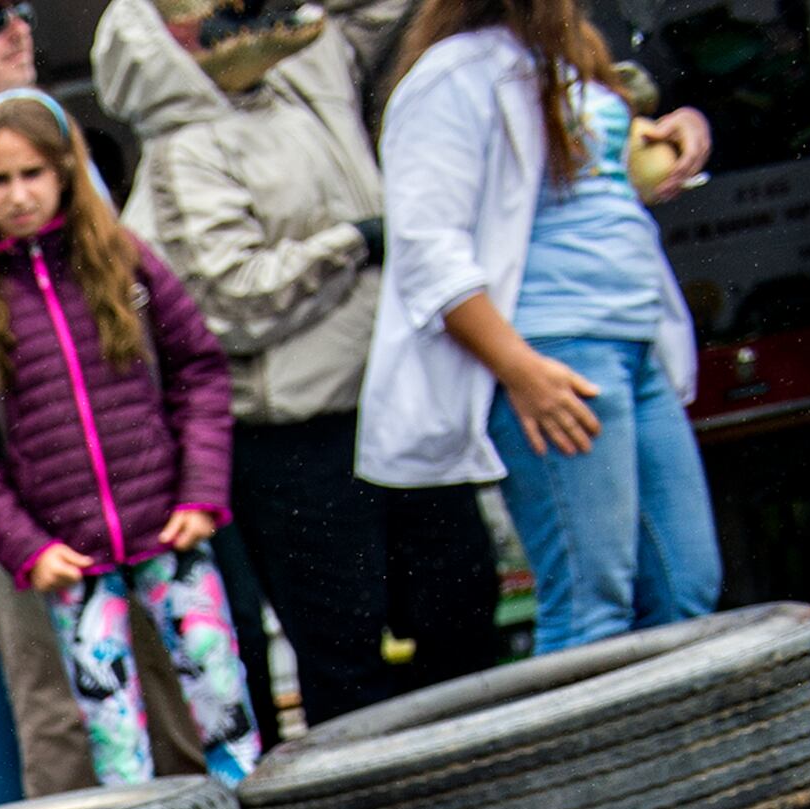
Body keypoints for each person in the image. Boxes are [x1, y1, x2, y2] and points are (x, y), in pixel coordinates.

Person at [92, 0, 503, 725]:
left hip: (399, 402)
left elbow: (391, 14)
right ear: (160, 40)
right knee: (346, 655)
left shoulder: (307, 72)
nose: (230, 15)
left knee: (463, 606)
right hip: (299, 440)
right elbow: (231, 303)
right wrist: (352, 242)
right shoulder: (182, 152)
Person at [364, 0, 717, 654]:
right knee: (591, 606)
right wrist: (520, 370)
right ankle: (591, 757)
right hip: (556, 353)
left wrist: (674, 132)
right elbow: (425, 247)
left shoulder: (561, 57)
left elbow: (575, 179)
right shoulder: (451, 75)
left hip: (634, 341)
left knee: (685, 588)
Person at [0, 94, 258, 787]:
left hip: (172, 540)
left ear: (66, 176)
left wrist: (201, 490)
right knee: (118, 760)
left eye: (34, 174)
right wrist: (30, 548)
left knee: (225, 727)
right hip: (73, 568)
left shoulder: (127, 268)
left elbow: (200, 370)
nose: (19, 195)